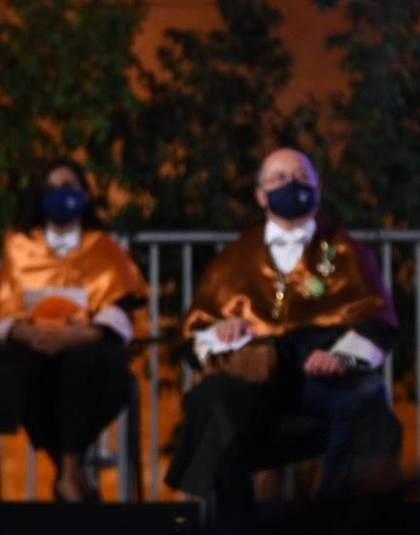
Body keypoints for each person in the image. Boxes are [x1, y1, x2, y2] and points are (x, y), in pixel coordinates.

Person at [165, 149, 401, 520]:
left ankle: (339, 522)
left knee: (368, 402)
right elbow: (194, 334)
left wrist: (341, 356)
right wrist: (221, 334)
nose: (292, 185)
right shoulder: (233, 258)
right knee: (211, 401)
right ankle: (232, 521)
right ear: (261, 195)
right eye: (279, 178)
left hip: (322, 371)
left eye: (302, 177)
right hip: (259, 373)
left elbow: (377, 319)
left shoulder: (346, 251)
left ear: (318, 190)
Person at [0, 159, 148, 502]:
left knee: (87, 368)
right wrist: (26, 333)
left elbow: (119, 311)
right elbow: (2, 312)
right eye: (51, 189)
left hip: (87, 348)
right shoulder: (19, 246)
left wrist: (78, 335)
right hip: (33, 350)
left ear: (85, 194)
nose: (59, 195)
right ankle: (72, 474)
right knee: (17, 377)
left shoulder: (105, 248)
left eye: (68, 187)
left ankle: (68, 472)